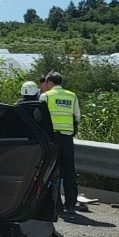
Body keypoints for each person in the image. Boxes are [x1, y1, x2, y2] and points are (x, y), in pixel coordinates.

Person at [41, 71, 82, 213]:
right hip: (67, 139)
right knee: (69, 171)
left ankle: (56, 204)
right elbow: (77, 117)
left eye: (47, 83)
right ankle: (71, 204)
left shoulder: (46, 96)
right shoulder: (72, 96)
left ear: (50, 83)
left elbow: (40, 117)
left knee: (52, 171)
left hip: (52, 139)